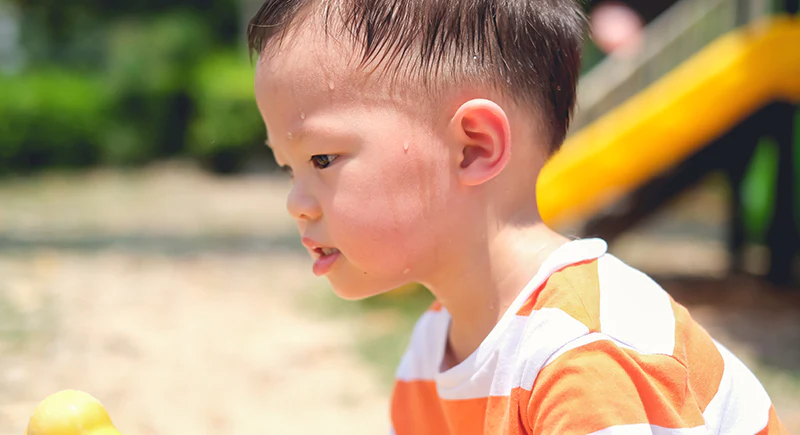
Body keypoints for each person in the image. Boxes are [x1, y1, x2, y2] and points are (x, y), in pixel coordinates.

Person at [246, 0, 787, 433]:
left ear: (473, 149)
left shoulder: (588, 352)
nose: (297, 201)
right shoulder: (431, 350)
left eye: (321, 159)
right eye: (288, 168)